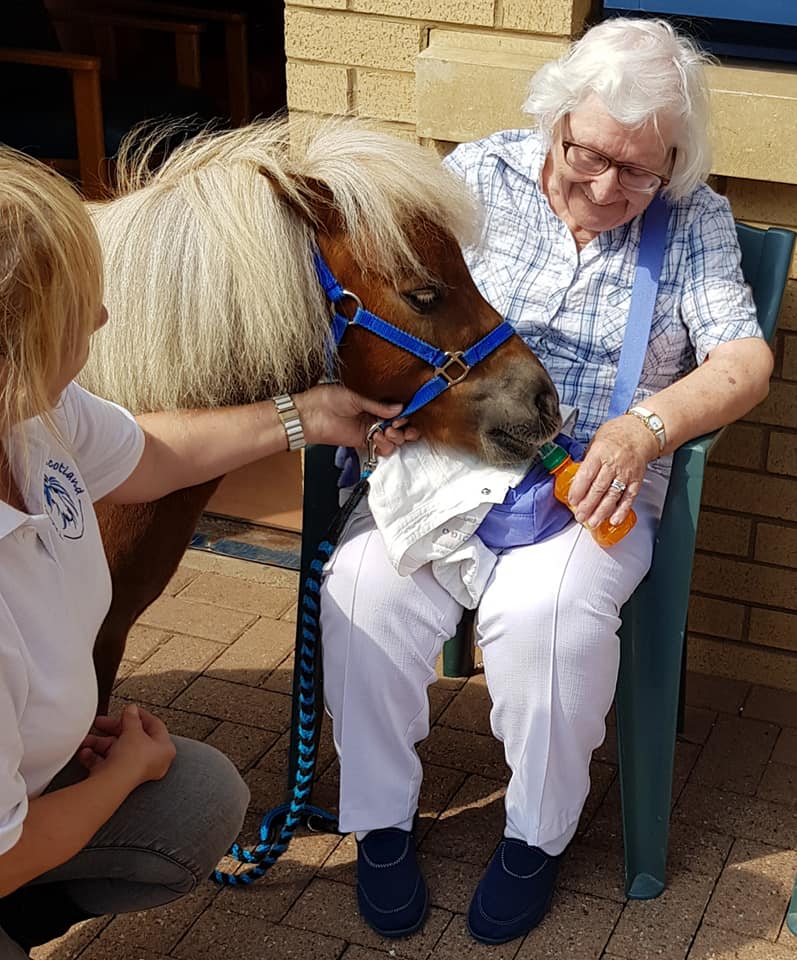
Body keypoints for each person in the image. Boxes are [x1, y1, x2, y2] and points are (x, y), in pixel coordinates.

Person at [319, 16, 774, 946]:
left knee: (546, 620)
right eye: (588, 155)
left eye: (639, 170)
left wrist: (644, 428)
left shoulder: (693, 221)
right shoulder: (473, 177)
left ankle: (535, 836)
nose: (607, 188)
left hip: (588, 486)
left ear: (675, 161)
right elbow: (381, 310)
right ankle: (379, 824)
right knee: (359, 588)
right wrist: (388, 402)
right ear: (556, 118)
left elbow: (741, 362)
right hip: (446, 465)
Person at [0, 147, 415, 958]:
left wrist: (313, 414)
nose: (104, 321)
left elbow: (151, 455)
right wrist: (119, 778)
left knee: (195, 799)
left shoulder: (32, 419)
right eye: (80, 305)